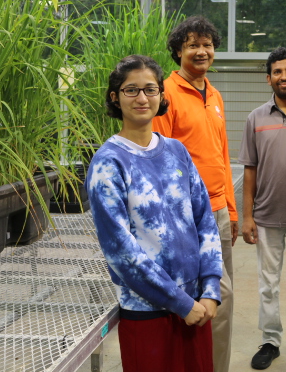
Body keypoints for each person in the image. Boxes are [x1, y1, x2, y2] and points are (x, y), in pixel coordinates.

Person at [86, 55, 223, 372]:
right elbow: (120, 250)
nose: (142, 98)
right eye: (131, 90)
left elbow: (204, 221)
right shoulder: (109, 163)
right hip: (148, 311)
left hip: (198, 308)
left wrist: (211, 290)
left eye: (150, 89)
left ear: (162, 95)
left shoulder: (177, 151)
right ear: (115, 98)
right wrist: (179, 302)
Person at [152, 16, 237, 372]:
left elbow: (221, 154)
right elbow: (157, 159)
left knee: (223, 302)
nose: (202, 51)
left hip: (218, 211)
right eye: (192, 45)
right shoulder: (166, 94)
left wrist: (232, 211)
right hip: (186, 216)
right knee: (204, 298)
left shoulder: (214, 94)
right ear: (177, 51)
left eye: (207, 44)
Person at [238, 47, 286, 370]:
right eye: (277, 71)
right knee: (268, 284)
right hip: (266, 216)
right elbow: (249, 170)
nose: (284, 76)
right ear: (269, 78)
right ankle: (271, 340)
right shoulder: (255, 117)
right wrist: (247, 216)